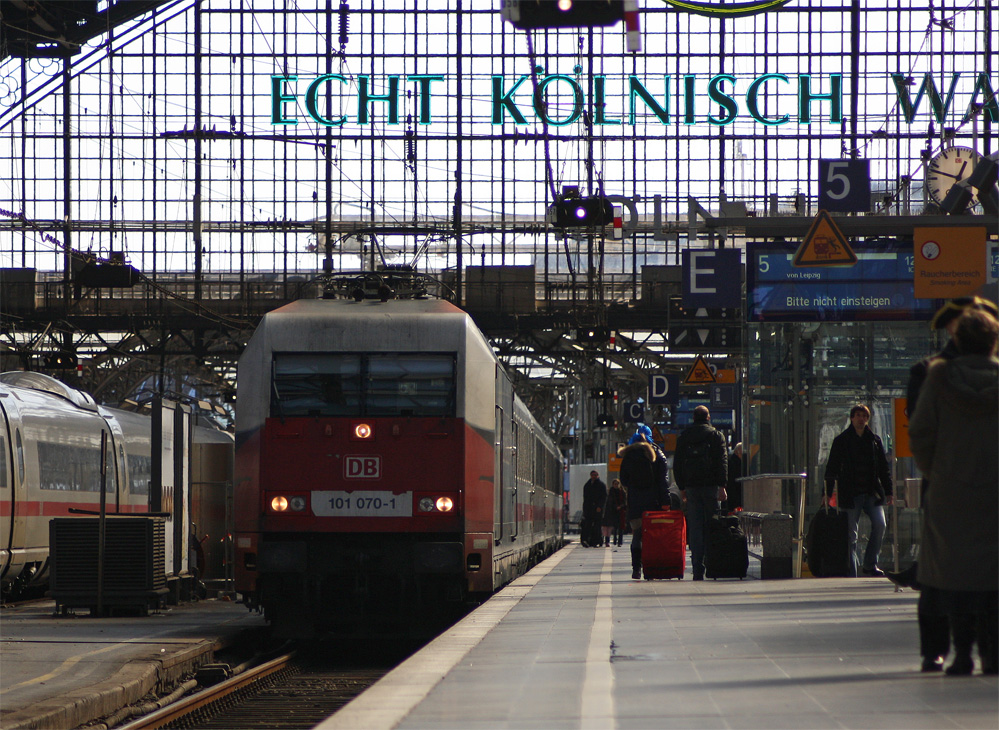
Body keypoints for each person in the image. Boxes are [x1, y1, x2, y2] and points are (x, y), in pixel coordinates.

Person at [888, 296, 997, 672]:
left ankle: (961, 650)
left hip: (948, 487)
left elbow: (920, 434)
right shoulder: (930, 372)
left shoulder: (932, 374)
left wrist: (938, 470)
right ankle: (963, 648)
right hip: (980, 488)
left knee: (945, 572)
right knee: (974, 573)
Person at [823, 404, 893, 577]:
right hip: (850, 494)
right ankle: (851, 570)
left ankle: (870, 564)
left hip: (870, 493)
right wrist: (827, 492)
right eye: (858, 415)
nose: (861, 419)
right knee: (850, 536)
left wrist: (889, 491)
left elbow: (883, 469)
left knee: (880, 524)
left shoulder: (875, 441)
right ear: (852, 418)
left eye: (864, 416)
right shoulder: (842, 441)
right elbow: (831, 468)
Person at [673, 406, 728, 581]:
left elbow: (678, 463)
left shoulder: (685, 437)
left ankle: (697, 568)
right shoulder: (716, 436)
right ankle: (712, 564)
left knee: (695, 528)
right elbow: (722, 461)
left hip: (691, 487)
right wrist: (722, 485)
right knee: (712, 525)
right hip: (711, 486)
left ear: (693, 418)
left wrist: (682, 487)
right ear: (708, 417)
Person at [619, 424, 670, 579]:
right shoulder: (657, 455)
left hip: (635, 503)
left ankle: (636, 568)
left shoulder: (627, 457)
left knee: (637, 536)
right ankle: (651, 567)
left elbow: (623, 480)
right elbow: (663, 481)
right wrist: (665, 501)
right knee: (652, 536)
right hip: (653, 503)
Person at [581, 470, 606, 548]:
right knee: (587, 525)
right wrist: (585, 509)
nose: (594, 476)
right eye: (592, 475)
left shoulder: (601, 485)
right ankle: (587, 540)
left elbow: (603, 497)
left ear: (597, 475)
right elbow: (585, 498)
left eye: (595, 475)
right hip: (588, 509)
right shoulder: (587, 485)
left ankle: (597, 541)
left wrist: (600, 506)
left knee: (597, 526)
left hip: (597, 509)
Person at [602, 479, 627, 548]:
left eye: (617, 484)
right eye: (615, 484)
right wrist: (614, 507)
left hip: (621, 511)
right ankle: (614, 540)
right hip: (612, 511)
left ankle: (620, 541)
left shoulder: (622, 492)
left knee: (620, 527)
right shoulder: (611, 492)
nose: (616, 485)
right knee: (613, 527)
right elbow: (609, 502)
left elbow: (625, 502)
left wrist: (620, 506)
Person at [725, 442, 744, 512]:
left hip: (731, 493)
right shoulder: (737, 463)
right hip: (735, 493)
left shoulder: (730, 460)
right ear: (737, 452)